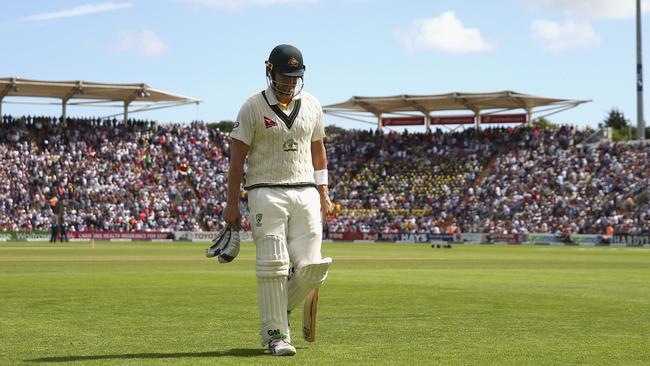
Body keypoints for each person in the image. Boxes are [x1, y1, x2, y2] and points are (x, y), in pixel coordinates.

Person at [224, 44, 332, 356]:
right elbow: (236, 161)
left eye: (295, 78)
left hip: (305, 190)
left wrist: (324, 193)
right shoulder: (252, 106)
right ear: (270, 71)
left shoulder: (311, 105)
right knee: (273, 264)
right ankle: (275, 336)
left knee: (313, 267)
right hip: (264, 190)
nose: (289, 83)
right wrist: (232, 203)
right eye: (284, 76)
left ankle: (280, 307)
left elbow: (319, 152)